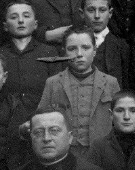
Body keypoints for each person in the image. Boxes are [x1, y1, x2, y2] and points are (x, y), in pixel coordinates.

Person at [0, 0, 60, 165]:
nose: (20, 21)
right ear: (5, 26)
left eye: (26, 16)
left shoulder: (49, 53)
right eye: (14, 17)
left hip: (41, 128)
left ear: (35, 24)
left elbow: (56, 94)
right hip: (5, 131)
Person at [37, 28, 119, 157]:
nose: (79, 54)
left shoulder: (110, 83)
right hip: (65, 154)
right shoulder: (53, 83)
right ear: (64, 52)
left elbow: (118, 123)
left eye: (86, 48)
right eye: (72, 49)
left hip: (101, 154)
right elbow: (40, 120)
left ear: (94, 50)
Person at [81, 0, 135, 90]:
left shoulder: (122, 46)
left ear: (110, 13)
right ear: (82, 13)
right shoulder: (73, 44)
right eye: (91, 10)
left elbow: (126, 85)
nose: (97, 16)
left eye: (102, 10)